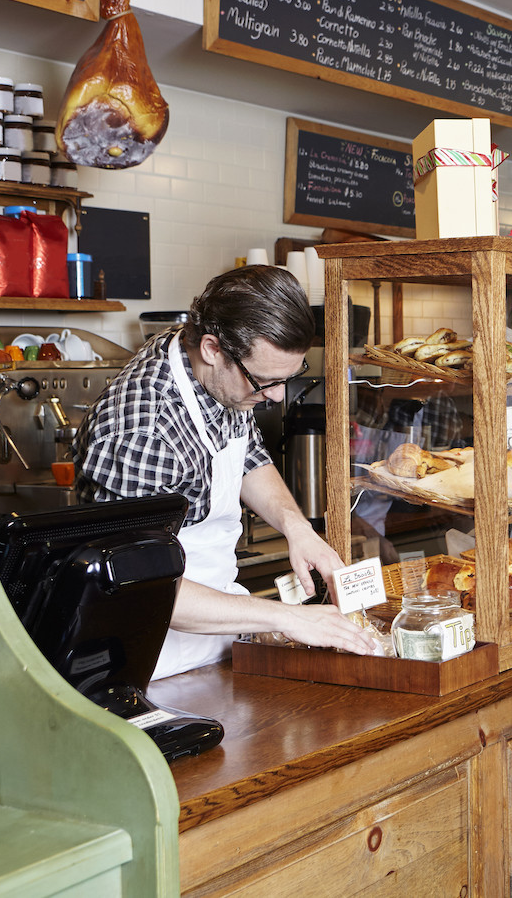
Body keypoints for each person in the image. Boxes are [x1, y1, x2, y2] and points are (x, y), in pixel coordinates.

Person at [76, 265, 380, 679]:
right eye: (265, 382)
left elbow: (248, 457)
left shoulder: (220, 377)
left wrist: (297, 528)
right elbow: (142, 586)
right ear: (212, 349)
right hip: (151, 660)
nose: (274, 397)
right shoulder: (142, 429)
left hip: (218, 635)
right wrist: (288, 618)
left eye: (286, 379)